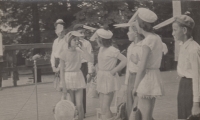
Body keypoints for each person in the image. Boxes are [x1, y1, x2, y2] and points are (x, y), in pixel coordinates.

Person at [131, 8, 164, 120]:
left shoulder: (147, 41)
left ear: (141, 23)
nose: (135, 25)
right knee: (148, 115)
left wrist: (135, 87)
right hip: (154, 76)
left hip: (146, 78)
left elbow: (143, 67)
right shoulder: (157, 38)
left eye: (136, 21)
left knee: (144, 116)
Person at [90, 25, 127, 120]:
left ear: (102, 40)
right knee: (102, 107)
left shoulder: (112, 50)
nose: (96, 40)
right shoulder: (101, 49)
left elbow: (125, 60)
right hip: (101, 77)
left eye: (98, 38)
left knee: (106, 107)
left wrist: (114, 70)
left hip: (108, 78)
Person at [60, 31, 93, 120]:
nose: (77, 41)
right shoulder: (64, 53)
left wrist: (84, 49)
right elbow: (62, 70)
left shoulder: (79, 51)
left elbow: (90, 59)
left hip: (78, 76)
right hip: (68, 78)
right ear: (69, 41)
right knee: (71, 104)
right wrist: (63, 85)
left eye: (77, 40)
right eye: (74, 40)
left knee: (79, 104)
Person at [172, 15, 200, 119]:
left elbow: (197, 78)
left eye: (175, 30)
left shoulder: (193, 49)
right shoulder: (183, 46)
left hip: (191, 88)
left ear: (184, 30)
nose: (172, 33)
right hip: (183, 86)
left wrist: (196, 103)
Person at [73, 24, 94, 115]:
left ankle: (82, 111)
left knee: (82, 88)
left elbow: (90, 58)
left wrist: (90, 71)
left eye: (84, 33)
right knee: (73, 88)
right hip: (73, 66)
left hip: (83, 66)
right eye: (80, 32)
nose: (83, 35)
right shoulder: (71, 42)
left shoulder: (87, 43)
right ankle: (73, 111)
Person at [125, 25, 144, 118]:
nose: (127, 33)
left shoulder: (143, 46)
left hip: (139, 78)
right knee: (129, 105)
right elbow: (128, 66)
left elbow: (144, 66)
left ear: (136, 33)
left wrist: (137, 61)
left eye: (129, 31)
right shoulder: (130, 46)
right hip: (131, 77)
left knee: (137, 107)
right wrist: (126, 83)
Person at [51, 19, 67, 91]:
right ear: (55, 31)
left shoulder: (66, 40)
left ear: (64, 30)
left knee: (64, 84)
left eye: (62, 31)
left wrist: (59, 67)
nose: (60, 33)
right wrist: (53, 66)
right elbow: (53, 54)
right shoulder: (55, 41)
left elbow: (65, 55)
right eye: (58, 31)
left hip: (64, 64)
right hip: (57, 63)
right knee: (58, 86)